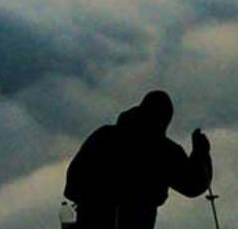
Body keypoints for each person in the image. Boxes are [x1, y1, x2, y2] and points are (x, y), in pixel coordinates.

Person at [63, 90, 213, 229]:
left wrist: (96, 198)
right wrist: (201, 153)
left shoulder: (104, 136)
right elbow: (193, 185)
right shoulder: (164, 151)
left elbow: (73, 183)